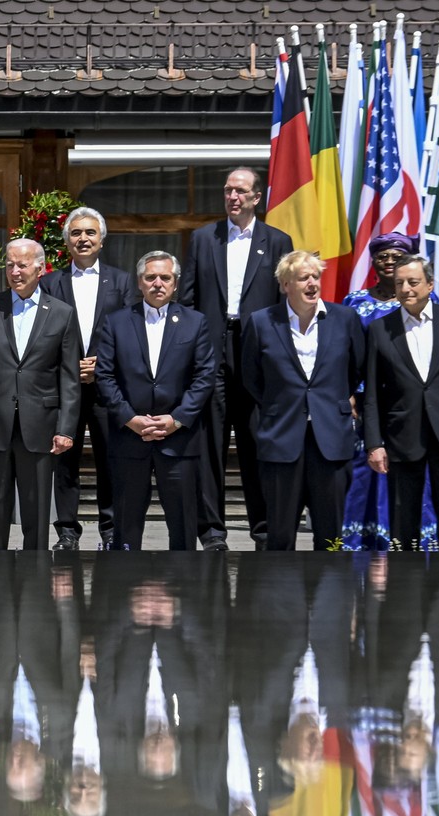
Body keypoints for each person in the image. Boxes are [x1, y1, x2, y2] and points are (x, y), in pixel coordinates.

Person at [180, 167, 293, 550]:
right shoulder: (202, 239)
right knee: (210, 442)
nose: (233, 197)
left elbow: (282, 304)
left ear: (256, 198)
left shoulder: (277, 241)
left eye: (241, 191)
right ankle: (211, 532)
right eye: (228, 190)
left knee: (257, 440)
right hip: (211, 348)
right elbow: (189, 300)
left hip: (257, 353)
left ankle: (263, 528)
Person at [240, 252, 366, 551]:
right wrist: (282, 404)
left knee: (331, 536)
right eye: (303, 278)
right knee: (280, 536)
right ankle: (284, 597)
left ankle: (332, 594)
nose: (312, 283)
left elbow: (356, 369)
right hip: (282, 438)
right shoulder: (261, 322)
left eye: (315, 277)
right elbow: (251, 378)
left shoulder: (345, 319)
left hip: (331, 440)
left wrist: (328, 402)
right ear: (286, 285)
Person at [0, 237, 81, 550]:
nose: (15, 271)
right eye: (10, 264)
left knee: (37, 513)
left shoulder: (62, 313)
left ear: (40, 268)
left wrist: (66, 429)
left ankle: (35, 586)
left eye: (22, 264)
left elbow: (69, 378)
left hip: (41, 425)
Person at [363, 255, 439, 551]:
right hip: (402, 436)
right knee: (402, 519)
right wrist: (374, 443)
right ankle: (404, 588)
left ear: (430, 284)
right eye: (399, 283)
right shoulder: (381, 329)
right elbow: (371, 393)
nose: (406, 288)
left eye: (413, 281)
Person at [93, 251, 216, 551]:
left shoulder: (195, 322)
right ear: (139, 282)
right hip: (129, 438)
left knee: (183, 525)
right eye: (151, 278)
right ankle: (124, 586)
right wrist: (130, 418)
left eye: (165, 278)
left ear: (175, 284)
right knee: (126, 524)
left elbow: (204, 377)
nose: (158, 283)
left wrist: (176, 419)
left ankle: (184, 588)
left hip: (179, 440)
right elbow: (104, 376)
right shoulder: (117, 322)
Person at [39, 206, 138, 551]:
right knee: (64, 460)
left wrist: (102, 364)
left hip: (106, 387)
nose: (83, 238)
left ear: (102, 239)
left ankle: (111, 529)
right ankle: (67, 531)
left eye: (90, 233)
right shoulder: (50, 282)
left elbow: (130, 332)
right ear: (66, 241)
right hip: (63, 388)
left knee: (111, 459)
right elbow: (42, 335)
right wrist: (69, 364)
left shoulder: (123, 281)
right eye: (76, 233)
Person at [342, 232, 436, 549]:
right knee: (367, 470)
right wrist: (349, 393)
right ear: (373, 261)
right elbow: (343, 353)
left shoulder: (424, 301)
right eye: (383, 256)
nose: (390, 262)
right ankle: (364, 541)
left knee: (412, 469)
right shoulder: (354, 302)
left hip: (409, 403)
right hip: (365, 403)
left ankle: (415, 539)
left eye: (397, 256)